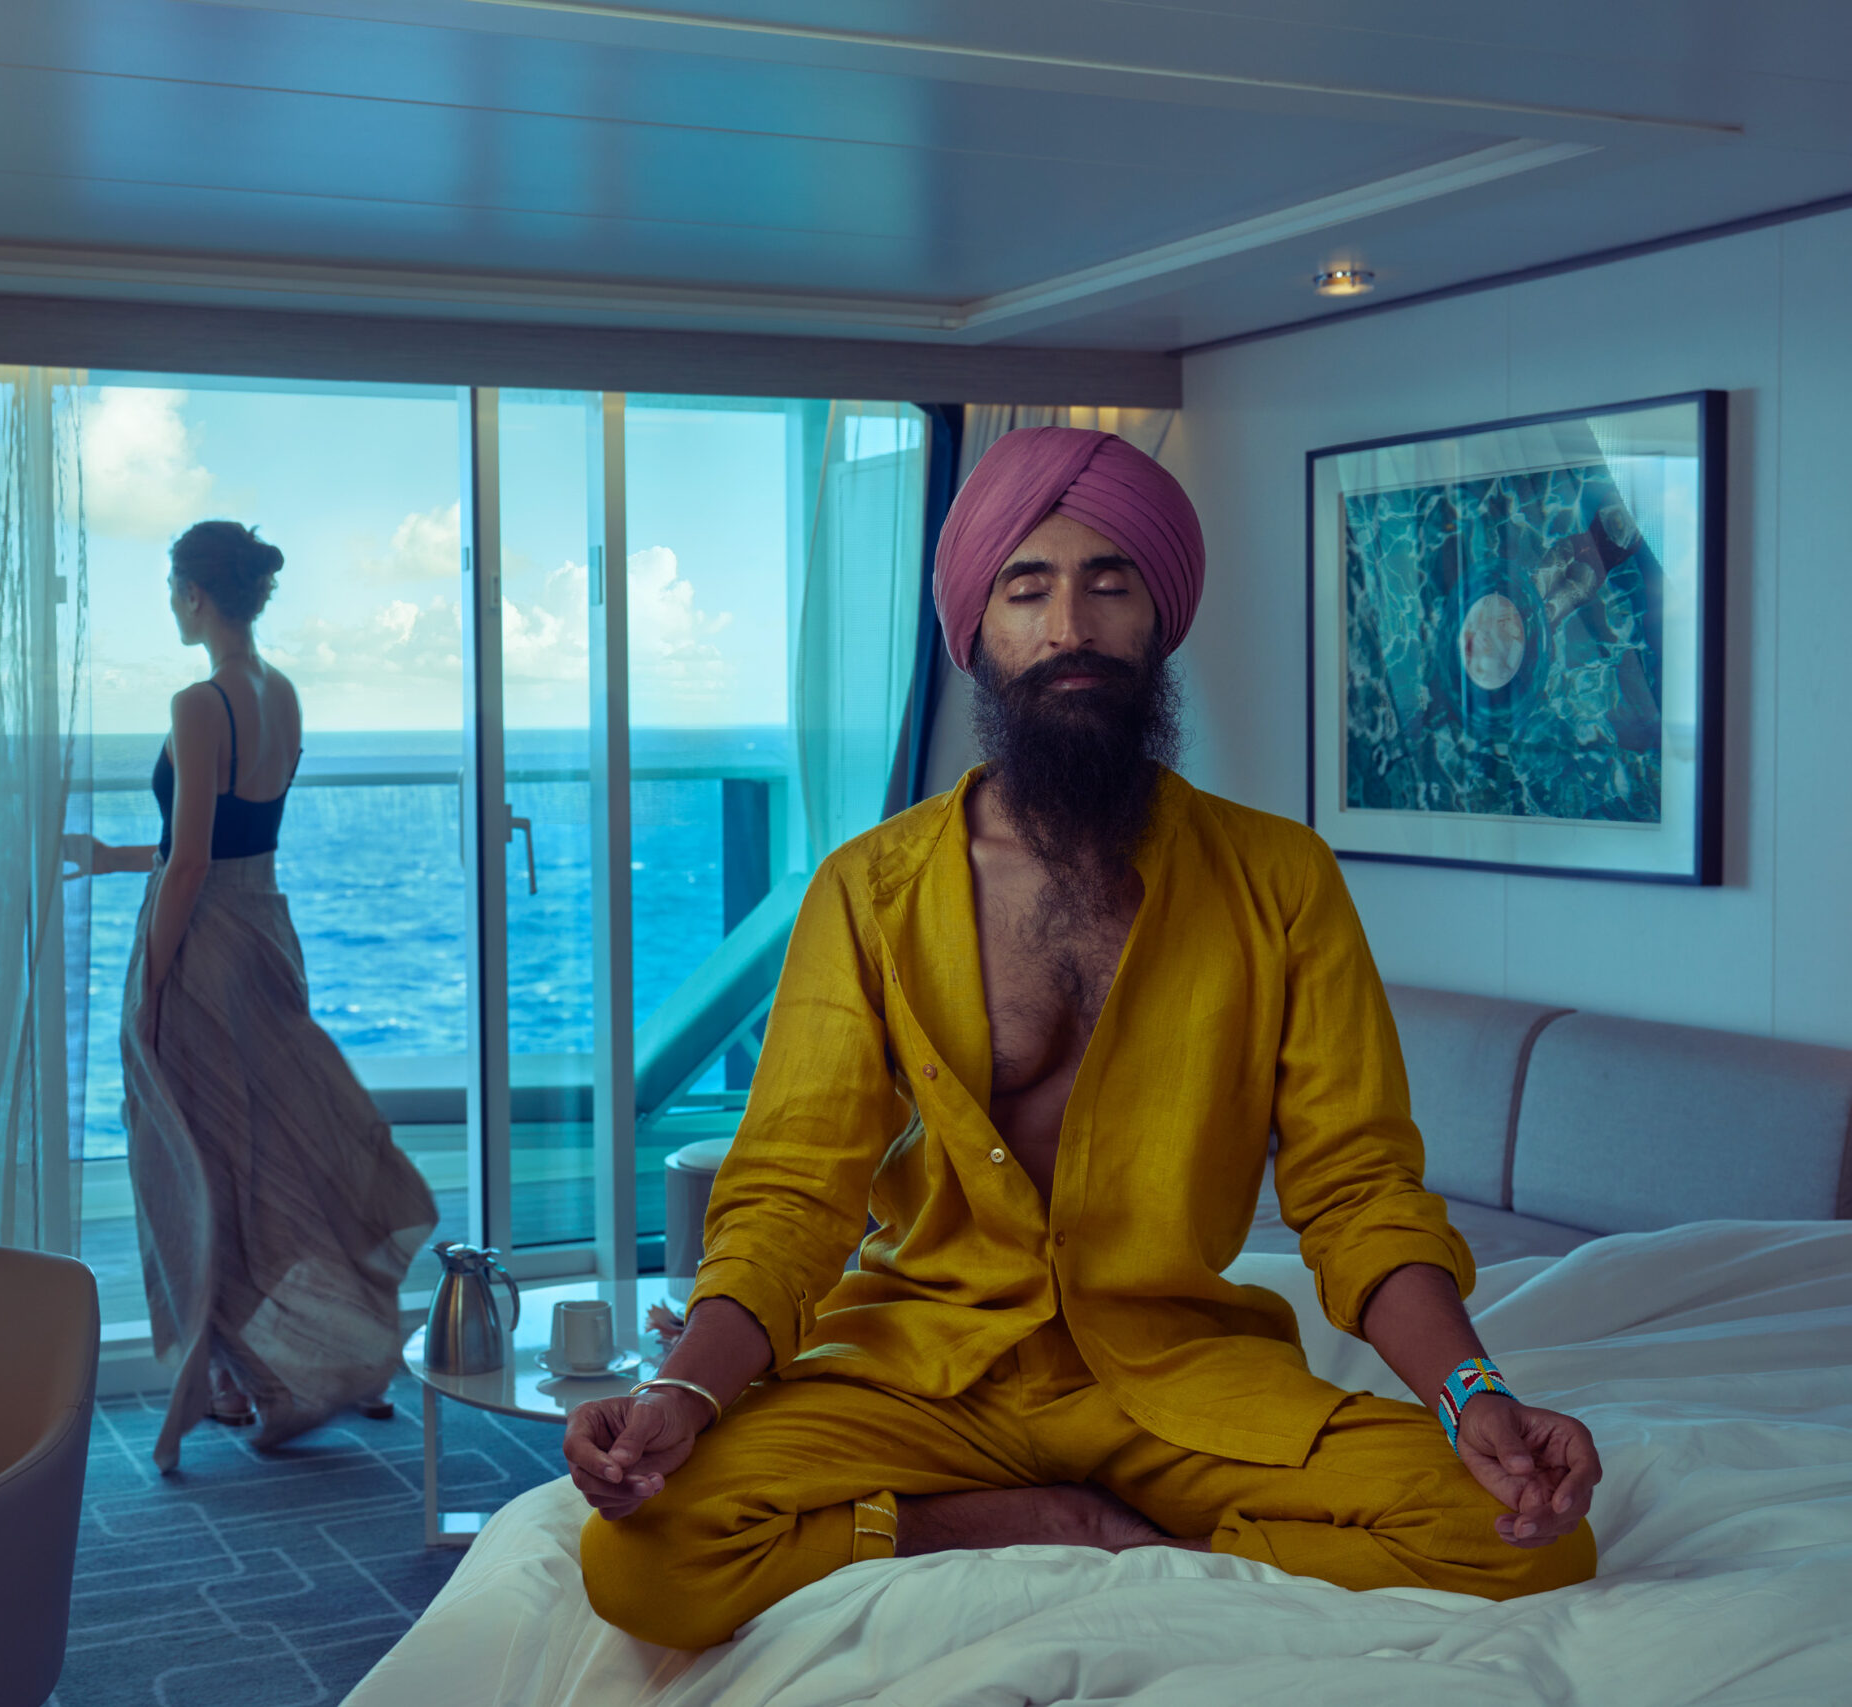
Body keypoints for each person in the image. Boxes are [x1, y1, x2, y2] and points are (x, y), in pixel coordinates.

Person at [565, 429, 1603, 1650]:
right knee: (647, 1556)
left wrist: (1474, 1395)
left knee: (1524, 1536)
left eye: (1110, 581)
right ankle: (1024, 1520)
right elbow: (794, 1190)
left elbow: (1358, 1186)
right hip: (917, 1373)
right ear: (979, 631)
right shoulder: (868, 890)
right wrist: (687, 1389)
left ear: (1158, 617)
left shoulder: (1280, 879)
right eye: (1027, 586)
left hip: (1175, 1376)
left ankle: (1129, 1522)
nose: (1070, 624)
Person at [65, 520, 437, 1473]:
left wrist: (148, 982)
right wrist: (111, 858)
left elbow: (191, 863)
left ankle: (231, 1374)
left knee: (190, 1160)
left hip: (205, 951)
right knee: (272, 1157)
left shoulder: (199, 702)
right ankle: (279, 1364)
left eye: (169, 587)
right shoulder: (283, 694)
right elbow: (238, 837)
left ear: (194, 594)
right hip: (268, 929)